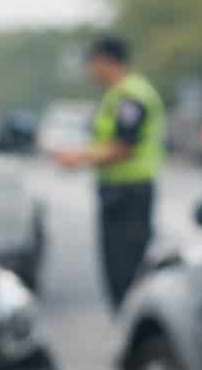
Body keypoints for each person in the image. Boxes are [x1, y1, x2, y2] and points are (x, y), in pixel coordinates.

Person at [50, 35, 165, 311]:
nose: (89, 70)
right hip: (119, 191)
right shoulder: (118, 94)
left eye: (91, 62)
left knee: (126, 271)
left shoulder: (131, 96)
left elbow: (123, 147)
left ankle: (132, 326)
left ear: (106, 61)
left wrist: (77, 157)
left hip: (129, 193)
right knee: (119, 270)